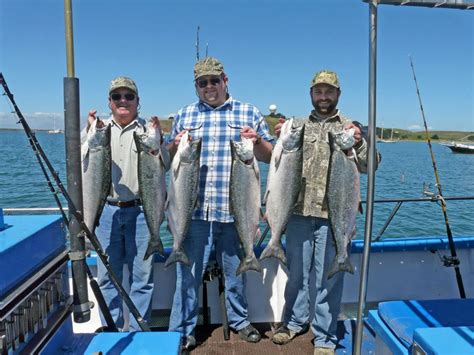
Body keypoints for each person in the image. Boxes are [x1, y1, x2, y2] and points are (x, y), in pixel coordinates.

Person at [167, 57, 274, 350]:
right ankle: (181, 329)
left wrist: (258, 142)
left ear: (225, 80)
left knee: (236, 272)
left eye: (214, 80)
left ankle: (239, 320)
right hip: (195, 213)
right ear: (196, 86)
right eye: (202, 83)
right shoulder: (184, 114)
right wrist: (173, 145)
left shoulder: (249, 111)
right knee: (187, 275)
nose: (209, 87)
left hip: (237, 212)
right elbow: (166, 159)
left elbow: (269, 155)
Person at [271, 70, 376, 355]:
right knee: (296, 274)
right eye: (319, 91)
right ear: (311, 94)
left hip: (336, 217)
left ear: (338, 94)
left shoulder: (350, 127)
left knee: (329, 278)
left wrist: (360, 141)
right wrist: (277, 136)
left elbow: (371, 165)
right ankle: (294, 322)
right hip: (298, 213)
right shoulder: (298, 125)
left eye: (329, 91)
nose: (324, 97)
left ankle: (326, 337)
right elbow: (277, 161)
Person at [83, 76, 161, 331]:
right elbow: (79, 163)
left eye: (129, 96)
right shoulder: (98, 132)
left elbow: (168, 164)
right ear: (110, 102)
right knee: (107, 277)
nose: (123, 101)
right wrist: (89, 130)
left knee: (143, 278)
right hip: (106, 212)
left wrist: (162, 140)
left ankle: (140, 330)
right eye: (117, 97)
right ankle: (111, 329)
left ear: (138, 101)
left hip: (142, 211)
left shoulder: (147, 132)